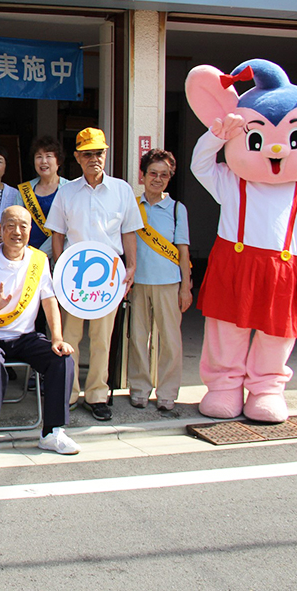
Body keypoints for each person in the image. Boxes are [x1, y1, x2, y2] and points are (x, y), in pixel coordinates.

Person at [45, 127, 143, 421]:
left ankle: (98, 395)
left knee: (102, 338)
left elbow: (129, 233)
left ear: (106, 153)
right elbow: (58, 235)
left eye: (98, 153)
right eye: (87, 154)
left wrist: (132, 266)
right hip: (73, 278)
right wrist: (60, 271)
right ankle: (69, 393)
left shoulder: (122, 190)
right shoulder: (67, 191)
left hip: (108, 279)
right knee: (70, 337)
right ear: (77, 157)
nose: (94, 159)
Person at [0, 206, 80, 460]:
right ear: (0, 229)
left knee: (61, 359)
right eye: (10, 225)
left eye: (23, 226)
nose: (17, 232)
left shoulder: (39, 260)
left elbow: (49, 300)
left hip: (24, 336)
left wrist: (58, 338)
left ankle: (52, 432)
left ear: (30, 230)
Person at [127, 149, 193, 412]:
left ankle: (167, 391)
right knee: (138, 337)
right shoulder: (133, 205)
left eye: (164, 175)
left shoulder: (177, 209)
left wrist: (186, 287)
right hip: (139, 282)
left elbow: (183, 250)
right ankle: (139, 388)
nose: (158, 179)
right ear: (142, 175)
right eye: (153, 173)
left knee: (170, 340)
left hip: (168, 283)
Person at [18, 136, 70, 262]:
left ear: (58, 160)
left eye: (49, 156)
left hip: (58, 258)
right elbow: (17, 223)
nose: (43, 161)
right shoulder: (25, 190)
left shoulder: (69, 189)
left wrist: (40, 255)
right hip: (26, 258)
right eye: (39, 156)